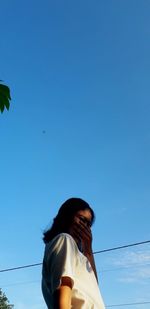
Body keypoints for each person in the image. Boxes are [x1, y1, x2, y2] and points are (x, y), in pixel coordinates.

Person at [42, 197, 105, 308]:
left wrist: (88, 251)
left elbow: (94, 287)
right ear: (66, 216)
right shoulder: (64, 239)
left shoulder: (76, 253)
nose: (85, 226)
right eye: (81, 219)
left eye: (88, 224)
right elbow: (63, 286)